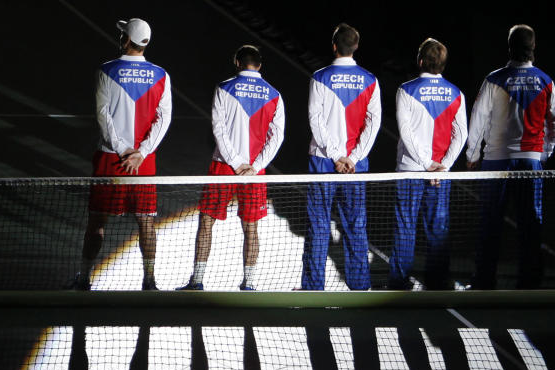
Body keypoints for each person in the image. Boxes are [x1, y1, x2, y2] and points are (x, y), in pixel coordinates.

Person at [73, 18, 172, 291]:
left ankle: (83, 278)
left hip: (110, 158)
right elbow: (164, 120)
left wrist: (122, 149)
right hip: (144, 162)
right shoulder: (161, 75)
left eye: (122, 34)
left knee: (97, 221)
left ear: (126, 40)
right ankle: (149, 281)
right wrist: (140, 153)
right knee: (146, 221)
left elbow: (103, 116)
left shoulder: (105, 71)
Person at [177, 45, 285, 291]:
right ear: (259, 65)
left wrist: (236, 164)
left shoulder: (224, 88)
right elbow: (276, 138)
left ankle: (197, 280)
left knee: (206, 223)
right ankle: (249, 283)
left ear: (236, 62)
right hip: (255, 173)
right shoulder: (274, 95)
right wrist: (254, 167)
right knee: (251, 228)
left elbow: (219, 130)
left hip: (223, 167)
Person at [465, 24, 555, 289]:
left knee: (490, 223)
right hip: (530, 162)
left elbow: (478, 119)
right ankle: (530, 281)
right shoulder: (545, 80)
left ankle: (484, 280)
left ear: (510, 47)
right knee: (531, 223)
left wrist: (472, 154)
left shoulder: (494, 79)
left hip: (496, 161)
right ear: (533, 48)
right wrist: (544, 153)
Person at [300, 23, 381, 290]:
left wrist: (336, 156)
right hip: (356, 165)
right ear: (356, 47)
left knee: (319, 225)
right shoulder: (370, 80)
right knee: (355, 224)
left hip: (323, 160)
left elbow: (316, 119)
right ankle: (359, 287)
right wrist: (353, 158)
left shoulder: (320, 77)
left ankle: (313, 289)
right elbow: (373, 124)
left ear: (334, 46)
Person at [388, 38, 467, 290]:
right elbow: (461, 134)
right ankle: (437, 282)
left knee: (405, 226)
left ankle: (400, 282)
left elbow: (406, 131)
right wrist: (442, 166)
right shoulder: (456, 93)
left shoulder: (406, 90)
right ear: (443, 64)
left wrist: (426, 164)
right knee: (438, 229)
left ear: (420, 60)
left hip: (411, 171)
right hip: (439, 176)